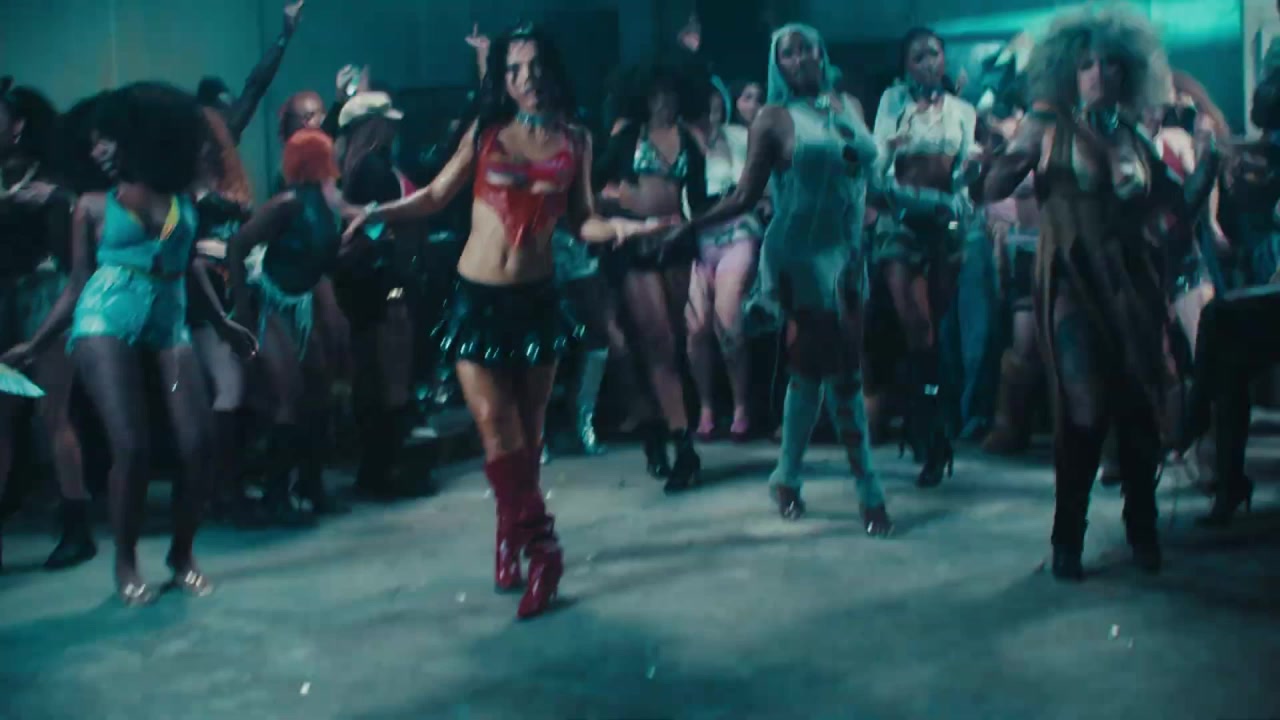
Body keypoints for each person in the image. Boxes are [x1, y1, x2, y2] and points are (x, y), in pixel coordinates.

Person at [344, 24, 669, 619]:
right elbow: (435, 196)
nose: (526, 79)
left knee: (528, 436)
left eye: (535, 66)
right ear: (504, 79)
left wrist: (624, 227)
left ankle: (506, 534)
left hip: (537, 303)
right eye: (514, 69)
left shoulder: (576, 140)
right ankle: (545, 550)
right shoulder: (486, 132)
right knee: (497, 429)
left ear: (553, 70)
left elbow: (583, 220)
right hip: (476, 301)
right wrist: (375, 211)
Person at [984, 6, 1219, 581]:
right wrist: (1005, 154)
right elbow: (992, 185)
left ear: (1128, 72)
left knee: (1137, 406)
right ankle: (1068, 533)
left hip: (1134, 286)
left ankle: (1142, 525)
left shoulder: (1136, 136)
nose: (1098, 75)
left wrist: (1210, 163)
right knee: (1083, 406)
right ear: (1068, 70)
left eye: (1110, 64)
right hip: (1071, 280)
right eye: (1087, 64)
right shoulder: (1049, 127)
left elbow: (1175, 212)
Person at [3, 83, 257, 605]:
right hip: (105, 316)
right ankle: (125, 562)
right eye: (94, 141)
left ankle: (182, 556)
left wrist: (223, 323)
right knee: (132, 446)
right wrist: (37, 343)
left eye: (108, 139)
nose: (99, 149)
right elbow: (77, 284)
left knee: (197, 443)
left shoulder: (181, 200)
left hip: (169, 319)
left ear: (137, 139)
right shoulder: (92, 205)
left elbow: (187, 266)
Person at [662, 23, 892, 536]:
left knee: (811, 370)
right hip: (799, 255)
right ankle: (869, 490)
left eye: (807, 46)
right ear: (778, 63)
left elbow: (873, 179)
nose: (801, 56)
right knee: (844, 371)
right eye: (788, 51)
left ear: (822, 51)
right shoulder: (772, 117)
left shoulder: (850, 105)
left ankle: (786, 477)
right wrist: (691, 227)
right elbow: (746, 194)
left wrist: (928, 203)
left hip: (849, 253)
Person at [227, 128, 357, 520]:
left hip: (302, 301)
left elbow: (327, 256)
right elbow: (238, 245)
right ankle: (276, 494)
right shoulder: (286, 204)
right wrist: (242, 308)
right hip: (271, 301)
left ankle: (310, 486)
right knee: (287, 396)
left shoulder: (327, 202)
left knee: (316, 395)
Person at [870, 27, 978, 487]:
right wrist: (891, 147)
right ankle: (930, 434)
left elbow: (962, 175)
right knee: (918, 327)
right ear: (906, 66)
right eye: (919, 56)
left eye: (935, 53)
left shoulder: (962, 111)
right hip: (900, 220)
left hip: (945, 222)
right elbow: (875, 166)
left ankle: (931, 424)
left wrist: (971, 173)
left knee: (935, 330)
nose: (929, 61)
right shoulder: (892, 104)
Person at [595, 63, 709, 491]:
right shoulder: (627, 136)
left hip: (675, 244)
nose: (665, 101)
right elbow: (592, 189)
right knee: (657, 342)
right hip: (636, 246)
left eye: (671, 93)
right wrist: (619, 209)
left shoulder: (689, 141)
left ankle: (657, 427)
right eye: (657, 94)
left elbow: (698, 200)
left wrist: (692, 224)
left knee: (671, 343)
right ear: (643, 97)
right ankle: (683, 446)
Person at [0, 80, 96, 571]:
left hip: (47, 298)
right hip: (5, 302)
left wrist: (57, 200)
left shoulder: (53, 189)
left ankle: (77, 528)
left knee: (51, 414)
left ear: (17, 126)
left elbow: (74, 266)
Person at [686, 81, 762, 441]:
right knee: (696, 326)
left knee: (727, 317)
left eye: (717, 105)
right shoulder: (679, 143)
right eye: (705, 107)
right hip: (695, 241)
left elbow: (752, 189)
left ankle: (741, 406)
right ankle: (706, 407)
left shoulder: (739, 137)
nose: (711, 113)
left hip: (736, 234)